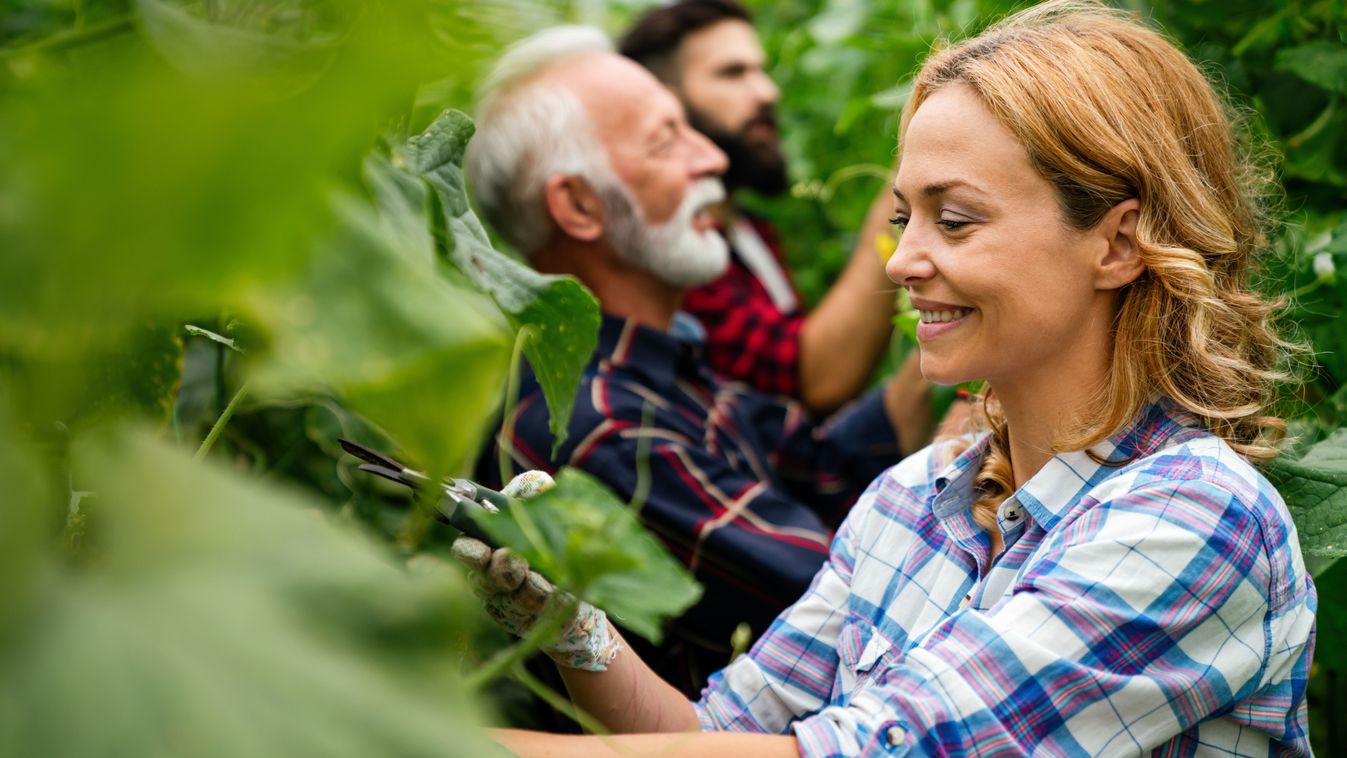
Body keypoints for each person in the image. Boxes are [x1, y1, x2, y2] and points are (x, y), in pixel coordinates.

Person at [463, 2, 1318, 755]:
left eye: (953, 219)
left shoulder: (1194, 515)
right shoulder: (908, 499)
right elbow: (714, 737)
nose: (902, 261)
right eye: (905, 218)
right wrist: (583, 639)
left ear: (1117, 243)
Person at [463, 27, 938, 695]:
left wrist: (972, 354)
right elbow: (848, 600)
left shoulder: (662, 363)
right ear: (577, 205)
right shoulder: (596, 428)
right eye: (665, 141)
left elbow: (825, 465)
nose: (713, 157)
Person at [619, 0, 899, 413]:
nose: (768, 91)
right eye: (733, 73)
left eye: (760, 70)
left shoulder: (750, 230)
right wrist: (901, 197)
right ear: (666, 104)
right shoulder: (669, 250)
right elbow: (813, 381)